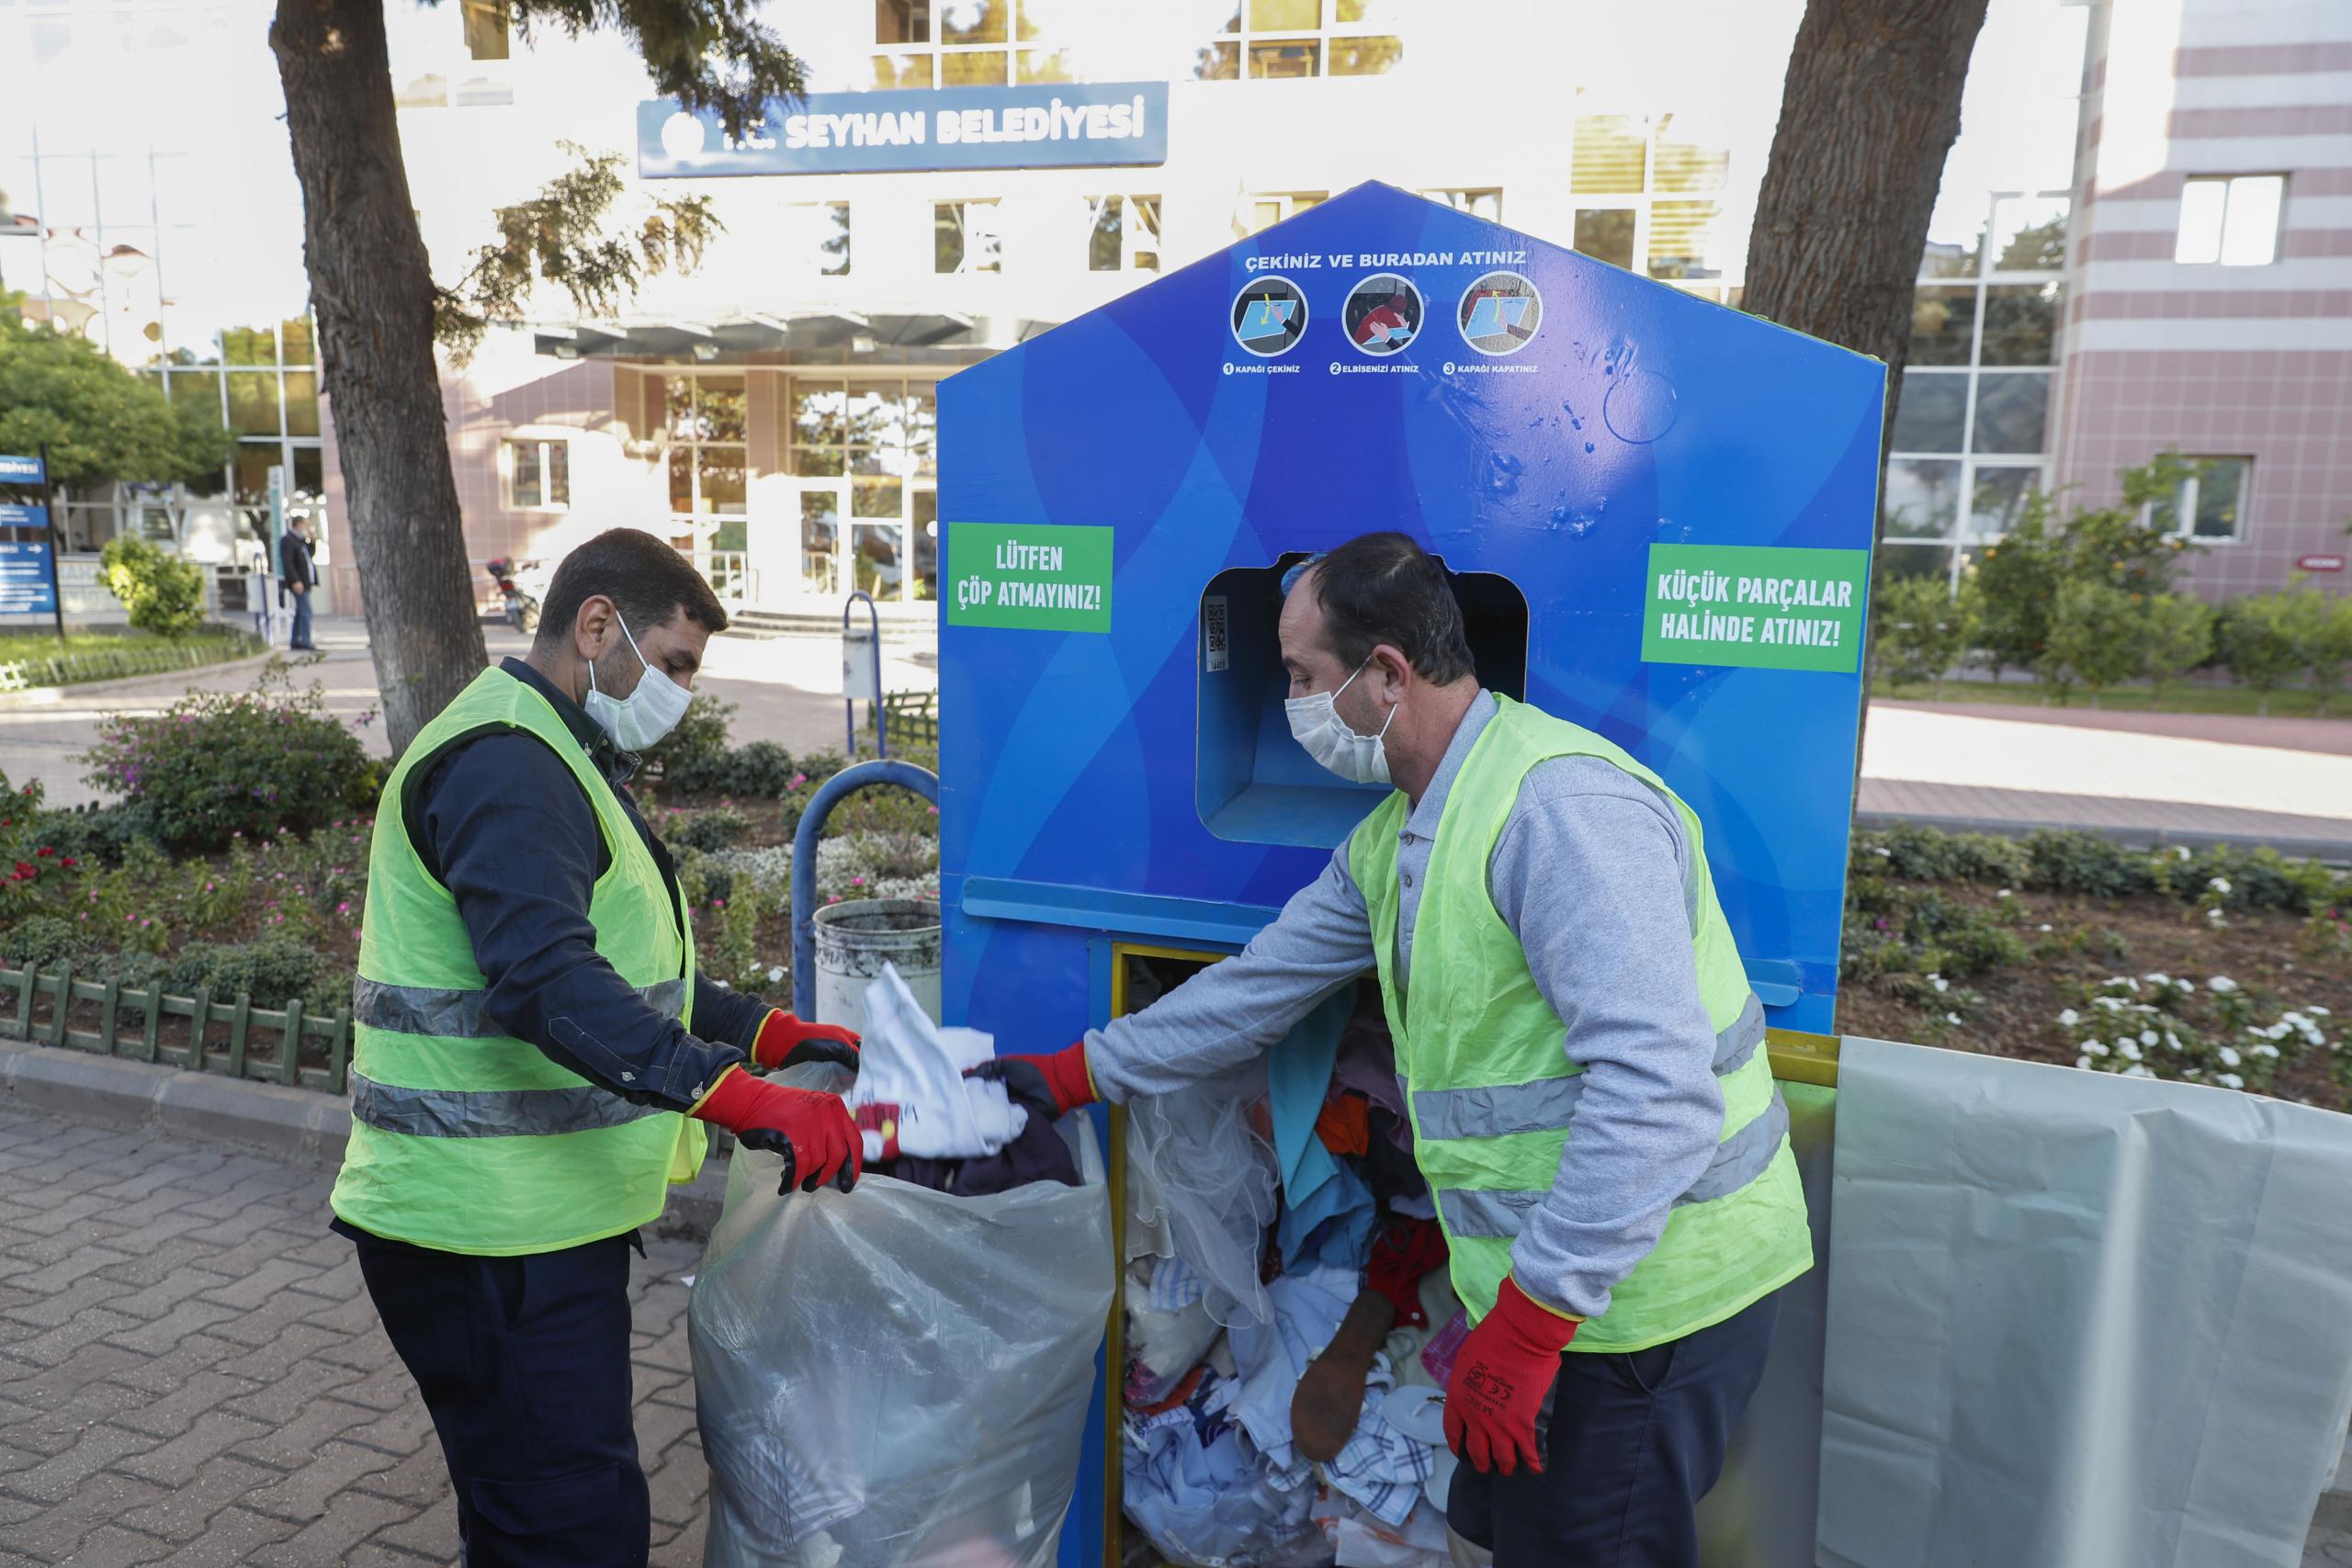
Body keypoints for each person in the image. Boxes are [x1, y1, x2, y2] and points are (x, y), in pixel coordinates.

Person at [977, 533, 1814, 1568]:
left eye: (1299, 676)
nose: (1286, 702)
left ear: (1384, 674)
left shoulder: (1559, 814)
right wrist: (1069, 1076)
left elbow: (1657, 1093)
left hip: (1649, 1304)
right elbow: (1255, 989)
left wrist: (1534, 1319)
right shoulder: (1405, 832)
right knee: (1484, 1538)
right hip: (1556, 1297)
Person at [330, 527, 864, 1568]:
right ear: (595, 623)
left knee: (541, 1512)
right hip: (485, 1238)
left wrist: (762, 1029)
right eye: (672, 663)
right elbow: (547, 986)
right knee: (570, 1533)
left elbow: (616, 962)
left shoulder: (550, 744)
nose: (679, 693)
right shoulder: (508, 764)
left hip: (523, 1224)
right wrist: (743, 1096)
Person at [278, 513, 321, 650]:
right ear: (299, 524)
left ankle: (296, 640)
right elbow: (288, 563)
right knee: (307, 612)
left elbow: (310, 554)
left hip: (305, 582)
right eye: (306, 525)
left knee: (300, 612)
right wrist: (295, 580)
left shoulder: (300, 541)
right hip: (298, 583)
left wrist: (312, 538)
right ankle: (305, 641)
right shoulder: (288, 540)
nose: (307, 528)